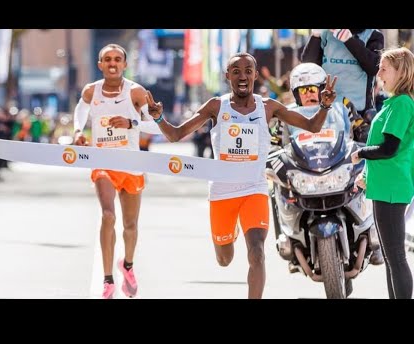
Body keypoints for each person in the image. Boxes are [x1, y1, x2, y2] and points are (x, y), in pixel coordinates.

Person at [146, 52, 337, 299]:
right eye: (236, 71)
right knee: (224, 259)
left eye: (248, 71)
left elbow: (313, 126)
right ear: (228, 77)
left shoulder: (268, 107)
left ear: (256, 75)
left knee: (256, 252)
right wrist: (158, 117)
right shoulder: (216, 106)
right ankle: (232, 229)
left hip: (254, 189)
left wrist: (324, 106)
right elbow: (175, 134)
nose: (243, 76)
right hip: (222, 192)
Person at [73, 43, 161, 299]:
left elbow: (158, 127)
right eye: (107, 59)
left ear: (124, 64)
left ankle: (128, 265)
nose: (112, 63)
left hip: (131, 164)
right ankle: (108, 279)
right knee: (108, 215)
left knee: (130, 225)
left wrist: (131, 123)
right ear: (100, 64)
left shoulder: (136, 92)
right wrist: (79, 131)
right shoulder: (91, 91)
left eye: (117, 59)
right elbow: (81, 109)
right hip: (103, 163)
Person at [280, 62, 384, 265]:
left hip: (337, 163)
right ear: (295, 93)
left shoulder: (342, 105)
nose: (308, 94)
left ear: (322, 90)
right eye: (303, 91)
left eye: (312, 89)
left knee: (367, 178)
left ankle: (374, 233)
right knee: (277, 185)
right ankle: (287, 237)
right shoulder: (288, 114)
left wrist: (366, 140)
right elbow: (275, 142)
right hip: (305, 169)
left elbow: (360, 128)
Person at [351, 47, 414, 299]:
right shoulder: (394, 103)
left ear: (401, 72)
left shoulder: (401, 104)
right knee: (391, 257)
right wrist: (366, 174)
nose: (378, 73)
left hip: (391, 187)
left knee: (396, 256)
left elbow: (389, 148)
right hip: (386, 185)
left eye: (384, 68)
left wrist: (361, 153)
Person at [302, 29, 384, 115]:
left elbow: (374, 68)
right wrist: (316, 36)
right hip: (327, 109)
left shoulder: (373, 34)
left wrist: (349, 40)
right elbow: (308, 67)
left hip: (359, 112)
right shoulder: (325, 34)